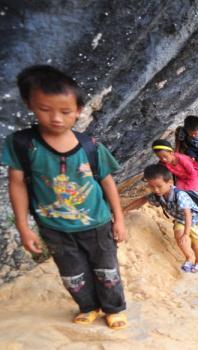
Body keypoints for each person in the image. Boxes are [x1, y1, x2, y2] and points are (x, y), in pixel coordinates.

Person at [2, 65, 127, 329]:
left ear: (79, 111)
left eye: (65, 111)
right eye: (45, 110)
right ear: (30, 105)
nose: (56, 118)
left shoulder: (90, 147)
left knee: (107, 271)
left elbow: (107, 182)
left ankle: (113, 308)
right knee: (72, 274)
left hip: (96, 223)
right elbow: (17, 184)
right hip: (55, 228)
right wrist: (24, 227)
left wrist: (118, 219)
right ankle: (88, 306)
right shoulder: (23, 145)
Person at [124, 164, 198, 273]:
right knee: (178, 235)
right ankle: (190, 258)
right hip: (180, 220)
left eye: (159, 186)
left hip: (196, 221)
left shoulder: (180, 195)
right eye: (152, 187)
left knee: (195, 244)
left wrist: (186, 234)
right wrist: (124, 210)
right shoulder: (158, 195)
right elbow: (142, 200)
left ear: (170, 183)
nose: (156, 190)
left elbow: (188, 214)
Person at [174, 115, 198, 192]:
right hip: (192, 148)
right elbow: (178, 142)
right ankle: (196, 177)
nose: (193, 135)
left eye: (195, 133)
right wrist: (176, 153)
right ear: (186, 129)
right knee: (191, 161)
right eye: (191, 133)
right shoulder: (182, 132)